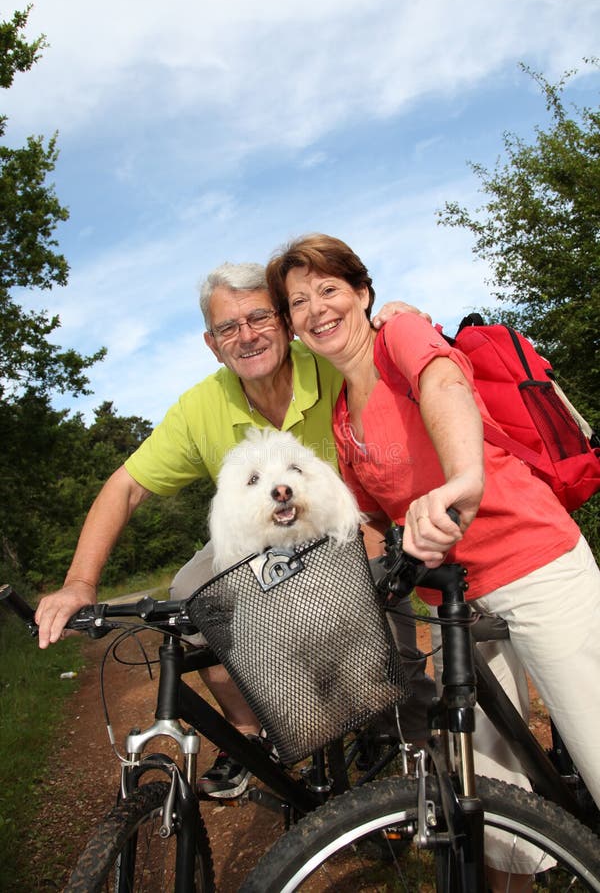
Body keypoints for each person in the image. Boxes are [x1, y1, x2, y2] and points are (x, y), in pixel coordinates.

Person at [266, 232, 600, 890]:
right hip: (462, 606)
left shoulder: (402, 337)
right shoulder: (342, 420)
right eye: (298, 302)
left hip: (535, 565)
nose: (315, 309)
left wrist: (463, 479)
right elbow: (368, 528)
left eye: (328, 289)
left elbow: (444, 382)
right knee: (490, 778)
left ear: (363, 293)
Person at [34, 262, 436, 798]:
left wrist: (396, 319)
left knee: (391, 659)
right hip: (255, 540)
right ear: (211, 342)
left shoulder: (330, 357)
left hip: (350, 525)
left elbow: (391, 350)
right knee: (190, 595)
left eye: (258, 317)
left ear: (286, 321)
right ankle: (253, 730)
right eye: (228, 327)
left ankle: (418, 770)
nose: (246, 336)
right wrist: (81, 584)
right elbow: (125, 487)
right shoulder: (200, 406)